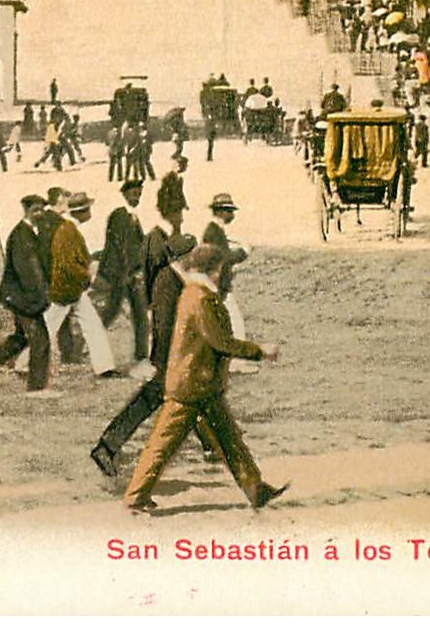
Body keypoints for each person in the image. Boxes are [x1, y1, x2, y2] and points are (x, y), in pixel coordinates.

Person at [123, 244, 286, 513]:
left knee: (229, 440)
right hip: (191, 387)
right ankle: (135, 497)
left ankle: (256, 489)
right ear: (217, 269)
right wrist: (260, 352)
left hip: (199, 383)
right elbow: (220, 341)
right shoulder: (200, 298)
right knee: (162, 444)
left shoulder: (194, 293)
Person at [90, 230, 198, 477]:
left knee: (193, 400)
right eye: (193, 253)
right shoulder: (167, 283)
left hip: (174, 358)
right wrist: (164, 360)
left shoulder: (174, 279)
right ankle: (107, 447)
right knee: (160, 400)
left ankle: (107, 447)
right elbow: (164, 326)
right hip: (170, 358)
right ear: (183, 256)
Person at [0, 195, 54, 394]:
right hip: (23, 297)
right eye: (35, 210)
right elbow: (28, 273)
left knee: (21, 338)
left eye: (42, 209)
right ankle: (37, 389)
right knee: (40, 339)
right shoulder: (21, 236)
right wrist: (41, 297)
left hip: (20, 296)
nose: (40, 213)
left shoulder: (32, 232)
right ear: (26, 211)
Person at [44, 192, 119, 378]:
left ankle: (105, 367)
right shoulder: (67, 231)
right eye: (88, 209)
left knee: (92, 325)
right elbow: (68, 264)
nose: (90, 212)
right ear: (82, 212)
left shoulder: (69, 228)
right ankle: (22, 362)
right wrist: (89, 277)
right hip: (67, 288)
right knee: (47, 327)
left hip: (72, 288)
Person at [97, 179, 150, 368]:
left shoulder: (131, 216)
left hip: (129, 274)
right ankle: (90, 341)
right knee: (112, 311)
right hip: (120, 274)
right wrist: (128, 273)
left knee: (138, 314)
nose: (137, 198)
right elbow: (120, 247)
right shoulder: (120, 216)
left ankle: (142, 354)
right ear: (126, 194)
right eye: (134, 194)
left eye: (139, 194)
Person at [202, 193, 250, 339]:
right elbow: (224, 258)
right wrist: (243, 252)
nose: (232, 215)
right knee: (236, 328)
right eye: (229, 211)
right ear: (221, 212)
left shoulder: (215, 231)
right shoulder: (214, 233)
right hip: (218, 290)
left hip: (219, 288)